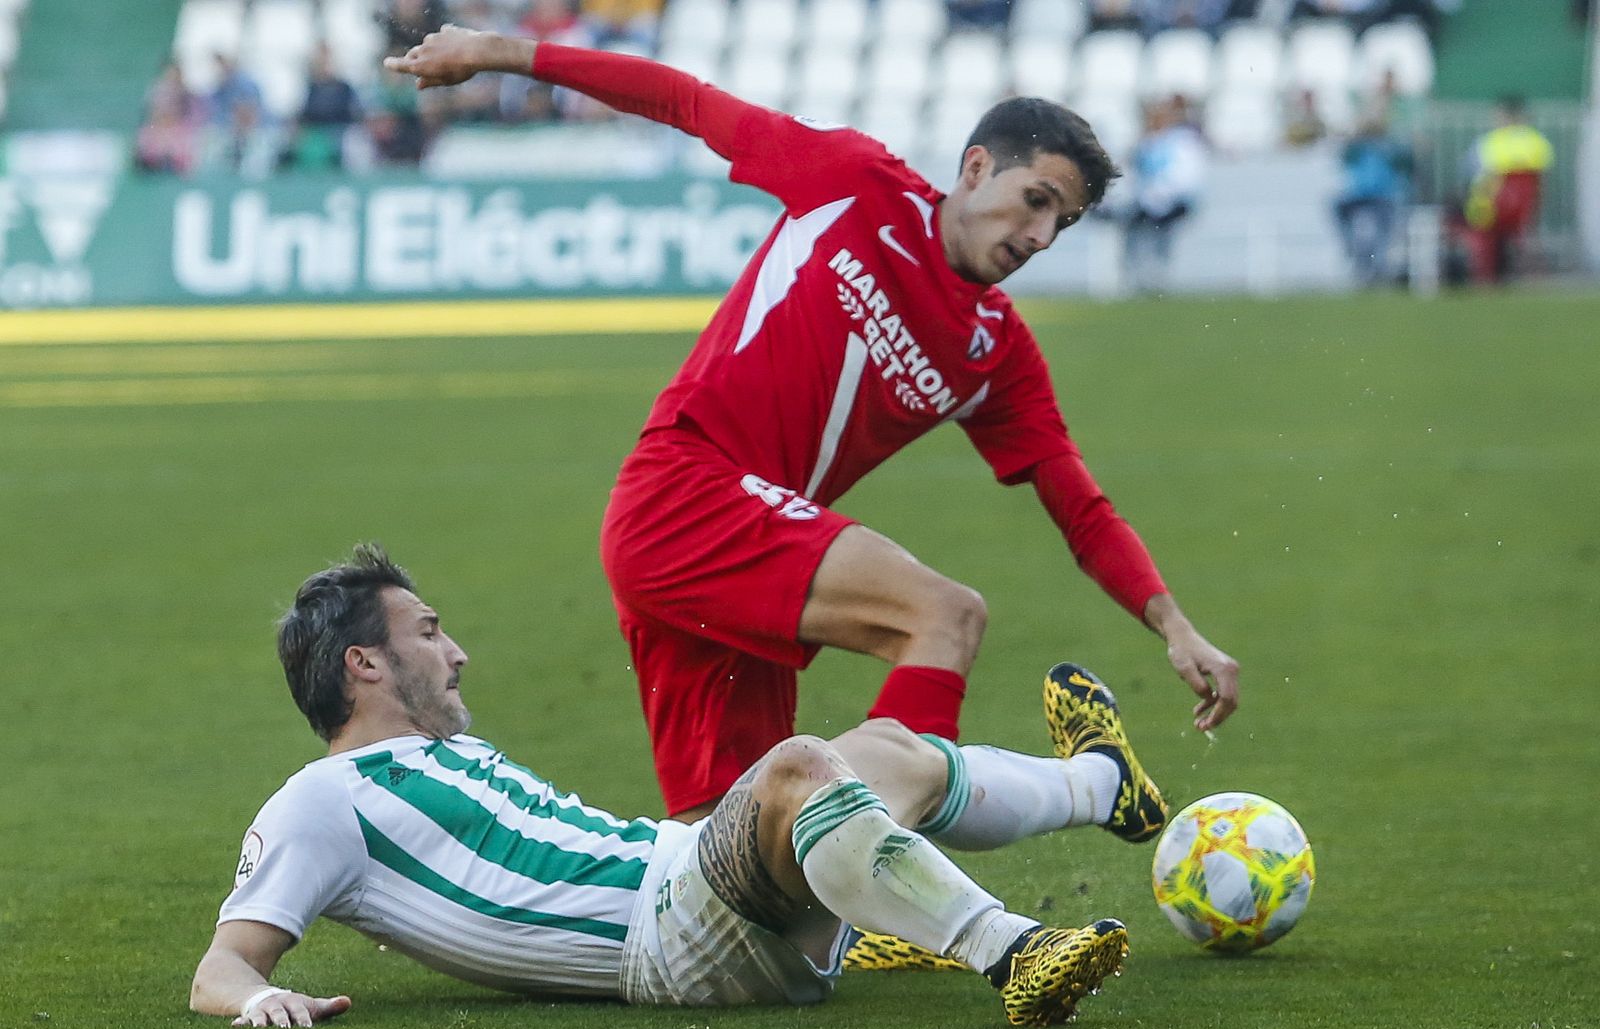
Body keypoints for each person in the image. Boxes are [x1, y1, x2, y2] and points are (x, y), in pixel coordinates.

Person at [385, 27, 1240, 825]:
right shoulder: (851, 182)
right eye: (1036, 200)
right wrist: (495, 51)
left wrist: (1174, 624)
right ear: (976, 167)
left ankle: (911, 868)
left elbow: (1079, 505)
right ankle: (1023, 819)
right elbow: (686, 100)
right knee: (943, 616)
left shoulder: (996, 351)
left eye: (1063, 221)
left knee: (741, 845)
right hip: (686, 488)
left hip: (747, 543)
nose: (1043, 234)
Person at [190, 545, 1171, 1029]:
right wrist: (259, 1000)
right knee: (796, 765)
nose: (457, 652)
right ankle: (1010, 951)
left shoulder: (435, 757)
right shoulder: (322, 801)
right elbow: (222, 965)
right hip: (665, 941)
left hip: (687, 883)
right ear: (364, 664)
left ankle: (1100, 782)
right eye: (430, 631)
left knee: (878, 744)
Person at [1460, 96, 1554, 285]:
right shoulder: (1534, 139)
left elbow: (1477, 174)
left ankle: (1487, 277)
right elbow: (1541, 177)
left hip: (1497, 200)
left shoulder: (1492, 141)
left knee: (1489, 234)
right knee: (1522, 237)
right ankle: (1530, 277)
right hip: (1512, 201)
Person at [1121, 95, 1207, 292]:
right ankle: (1137, 275)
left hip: (1173, 201)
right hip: (1147, 200)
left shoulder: (1182, 142)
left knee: (1160, 231)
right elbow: (1133, 175)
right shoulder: (1145, 144)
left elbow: (1185, 177)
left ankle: (1158, 276)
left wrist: (1159, 195)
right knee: (1133, 229)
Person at [1332, 115, 1412, 286]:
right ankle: (1351, 248)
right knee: (1338, 209)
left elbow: (1408, 164)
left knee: (1382, 235)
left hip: (1383, 198)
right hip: (1359, 196)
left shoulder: (1390, 148)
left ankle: (1376, 269)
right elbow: (1344, 153)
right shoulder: (1357, 148)